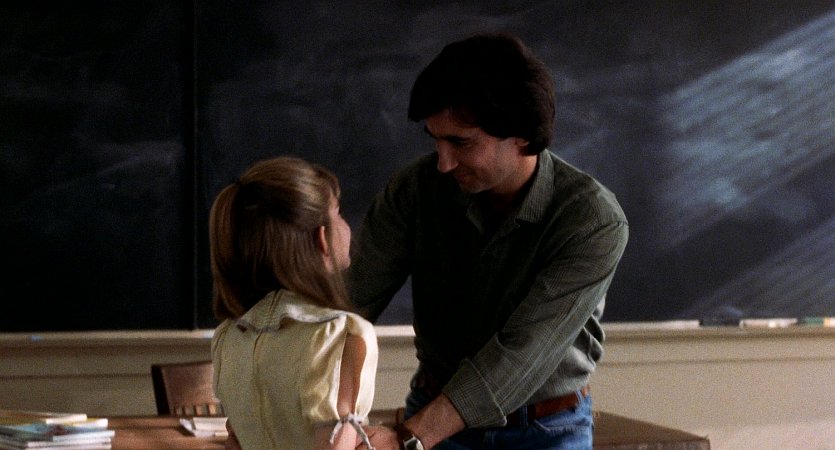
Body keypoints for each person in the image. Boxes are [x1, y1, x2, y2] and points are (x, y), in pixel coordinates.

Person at [350, 33, 629, 450]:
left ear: (522, 135)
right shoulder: (415, 190)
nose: (443, 163)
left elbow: (522, 355)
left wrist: (411, 438)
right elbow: (346, 306)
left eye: (461, 143)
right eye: (435, 140)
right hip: (432, 407)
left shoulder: (592, 220)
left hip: (546, 431)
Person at [209, 156, 379, 450]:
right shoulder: (340, 337)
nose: (347, 224)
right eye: (338, 212)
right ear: (322, 238)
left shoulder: (229, 337)